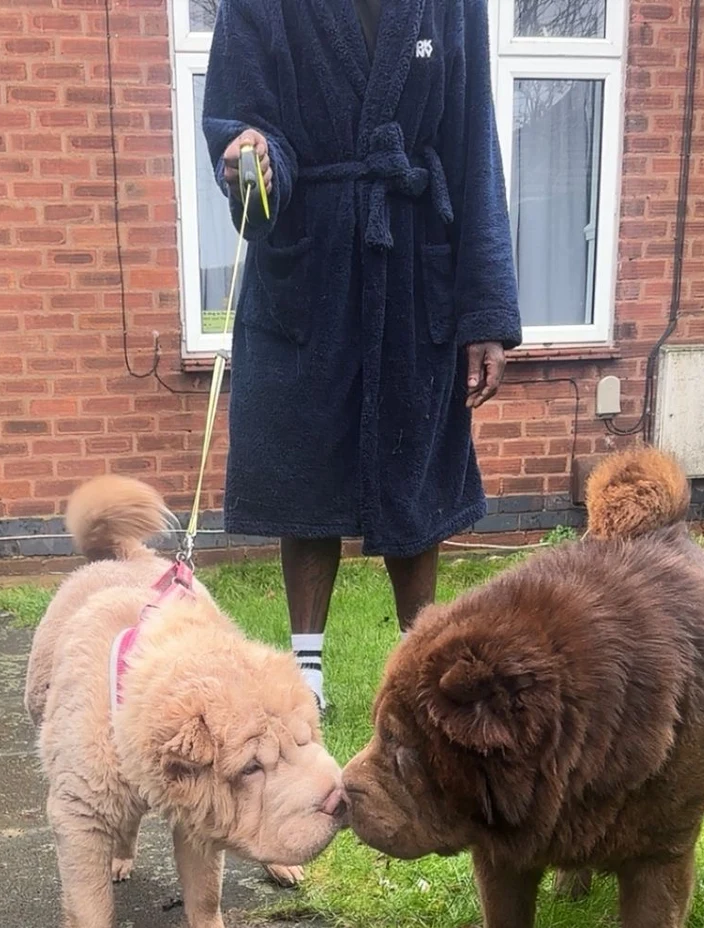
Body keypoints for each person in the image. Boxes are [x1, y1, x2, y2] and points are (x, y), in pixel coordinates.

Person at [203, 0, 523, 709]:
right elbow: (239, 111)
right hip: (308, 266)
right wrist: (249, 151)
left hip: (413, 265)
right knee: (304, 469)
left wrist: (487, 313)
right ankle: (306, 676)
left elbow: (474, 148)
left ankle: (421, 669)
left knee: (415, 468)